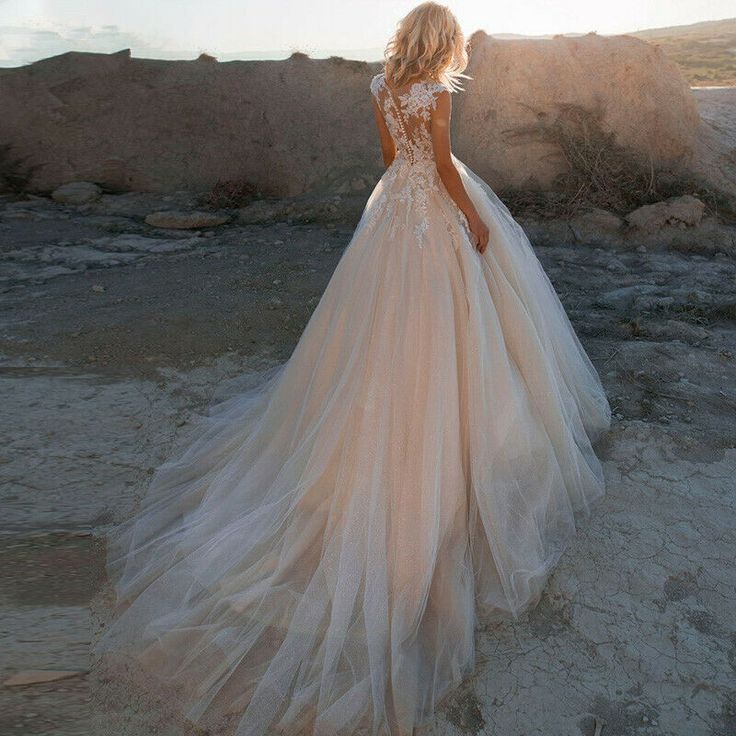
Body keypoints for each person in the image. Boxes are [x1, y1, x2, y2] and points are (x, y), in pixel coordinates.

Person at [96, 3, 612, 735]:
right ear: (445, 44)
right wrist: (473, 217)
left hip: (391, 211)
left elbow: (391, 163)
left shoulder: (379, 87)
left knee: (380, 324)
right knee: (453, 316)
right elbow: (438, 166)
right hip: (431, 205)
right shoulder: (433, 93)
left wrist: (407, 200)